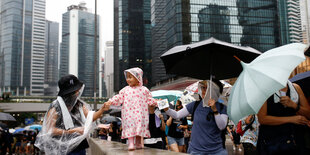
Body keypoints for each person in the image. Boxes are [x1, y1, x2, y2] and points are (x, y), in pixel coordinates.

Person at [35, 74, 110, 155]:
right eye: (75, 91)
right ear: (68, 93)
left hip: (79, 147)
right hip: (62, 149)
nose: (78, 92)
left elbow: (90, 118)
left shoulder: (79, 104)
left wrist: (102, 109)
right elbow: (50, 130)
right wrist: (73, 131)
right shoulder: (56, 106)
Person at [164, 80, 228, 155]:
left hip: (216, 151)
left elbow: (222, 126)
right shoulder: (195, 105)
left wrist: (215, 110)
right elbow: (177, 115)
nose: (203, 90)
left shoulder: (222, 107)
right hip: (196, 151)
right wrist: (166, 109)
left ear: (214, 91)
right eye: (203, 88)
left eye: (207, 88)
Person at [105, 67, 157, 151]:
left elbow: (149, 99)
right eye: (127, 77)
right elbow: (118, 98)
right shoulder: (125, 90)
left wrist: (157, 102)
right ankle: (131, 142)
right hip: (128, 113)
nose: (128, 79)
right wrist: (110, 101)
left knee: (139, 125)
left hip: (140, 113)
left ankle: (138, 142)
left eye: (130, 77)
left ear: (138, 78)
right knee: (130, 126)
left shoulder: (144, 90)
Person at [257, 81, 310, 155]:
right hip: (275, 142)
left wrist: (294, 105)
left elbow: (308, 113)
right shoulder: (264, 91)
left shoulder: (295, 88)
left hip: (296, 138)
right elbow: (262, 119)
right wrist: (292, 119)